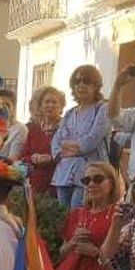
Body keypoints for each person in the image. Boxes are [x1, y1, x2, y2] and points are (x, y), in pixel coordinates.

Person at [50, 65, 109, 208]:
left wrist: (68, 147)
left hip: (88, 175)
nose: (81, 85)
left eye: (86, 81)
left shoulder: (102, 108)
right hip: (64, 174)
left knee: (79, 216)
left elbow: (91, 142)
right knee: (63, 219)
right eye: (77, 82)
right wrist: (71, 148)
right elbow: (56, 144)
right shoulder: (70, 113)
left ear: (96, 86)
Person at [14, 85, 63, 199]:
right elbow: (23, 157)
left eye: (54, 102)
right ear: (40, 106)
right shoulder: (33, 129)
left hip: (55, 181)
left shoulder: (65, 128)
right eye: (47, 102)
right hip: (33, 184)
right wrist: (33, 158)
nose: (50, 105)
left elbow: (67, 154)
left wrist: (51, 158)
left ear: (61, 107)